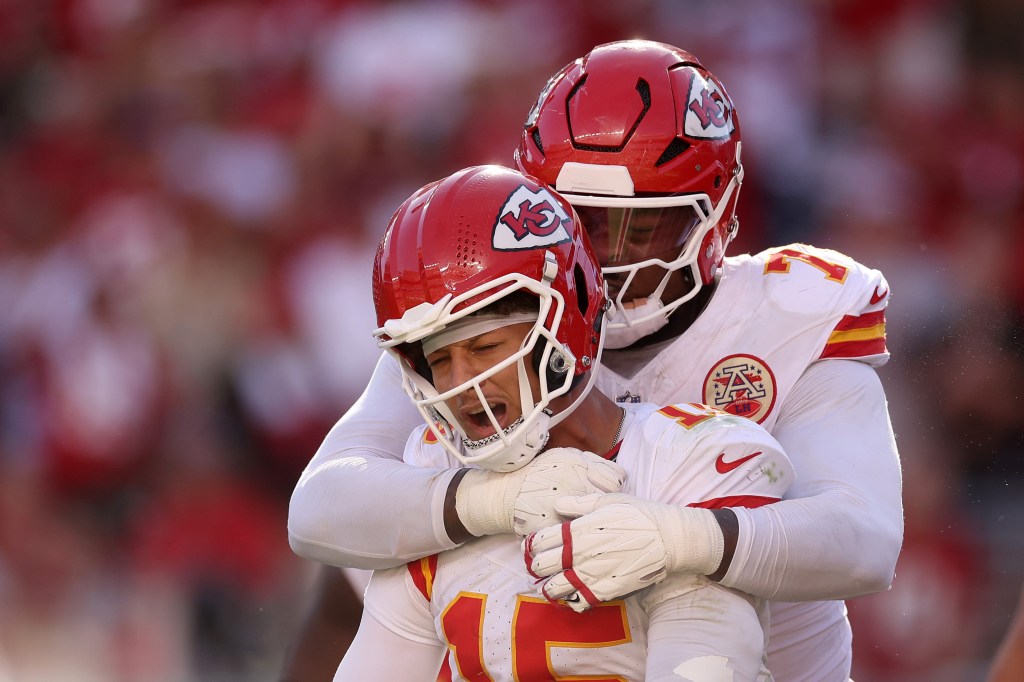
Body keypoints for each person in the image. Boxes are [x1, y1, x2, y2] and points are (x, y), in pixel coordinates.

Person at [287, 40, 903, 681]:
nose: (606, 261)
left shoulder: (789, 314)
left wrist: (683, 540)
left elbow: (864, 541)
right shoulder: (491, 324)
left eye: (640, 230)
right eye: (581, 221)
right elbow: (325, 508)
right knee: (375, 566)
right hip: (526, 628)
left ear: (719, 210)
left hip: (759, 657)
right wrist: (488, 502)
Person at [334, 164, 793, 681]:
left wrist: (683, 544)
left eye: (484, 347)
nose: (461, 385)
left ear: (564, 327)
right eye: (439, 361)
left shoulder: (695, 458)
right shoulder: (429, 469)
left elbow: (703, 667)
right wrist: (489, 503)